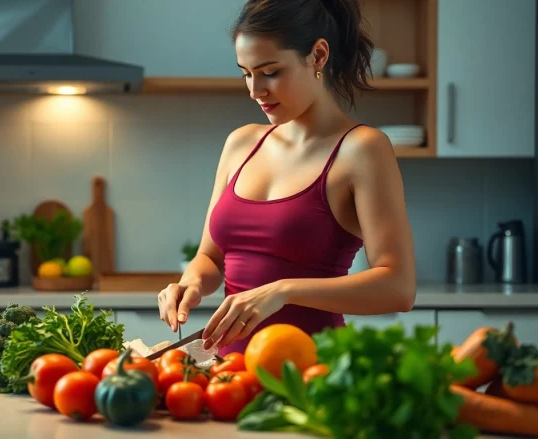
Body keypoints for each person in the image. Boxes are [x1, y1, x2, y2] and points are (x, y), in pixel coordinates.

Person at [157, 0, 417, 355]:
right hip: (229, 377)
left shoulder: (362, 149)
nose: (254, 90)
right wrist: (191, 283)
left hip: (312, 376)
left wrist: (283, 291)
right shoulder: (241, 143)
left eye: (270, 72)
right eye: (246, 73)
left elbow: (398, 286)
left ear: (318, 56)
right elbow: (211, 258)